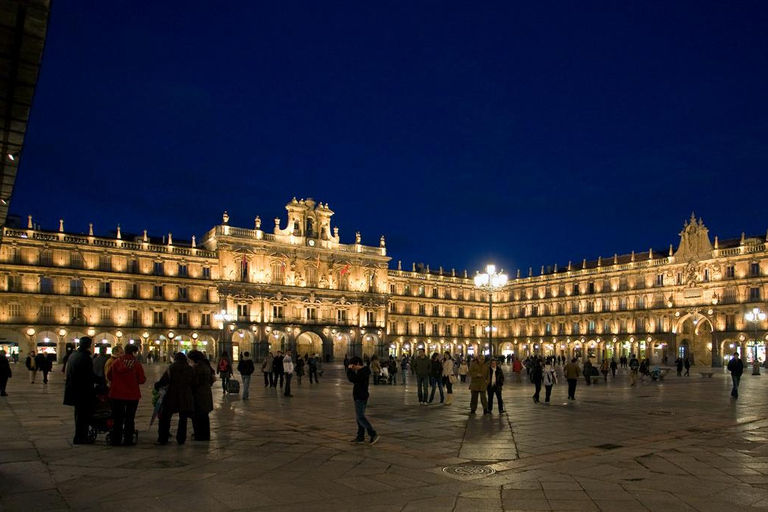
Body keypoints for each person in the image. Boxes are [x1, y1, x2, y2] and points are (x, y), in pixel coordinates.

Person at [106, 344, 146, 446]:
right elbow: (142, 380)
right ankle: (128, 440)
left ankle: (116, 439)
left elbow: (109, 376)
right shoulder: (136, 364)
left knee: (117, 418)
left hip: (117, 394)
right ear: (134, 352)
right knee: (129, 418)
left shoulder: (116, 362)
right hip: (132, 395)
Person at [154, 352, 195, 445]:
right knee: (183, 418)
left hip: (171, 394)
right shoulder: (190, 369)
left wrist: (157, 386)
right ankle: (181, 439)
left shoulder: (171, 368)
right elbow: (193, 381)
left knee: (165, 417)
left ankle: (163, 438)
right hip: (185, 394)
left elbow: (163, 381)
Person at [63, 337, 96, 444]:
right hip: (83, 391)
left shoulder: (73, 355)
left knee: (78, 415)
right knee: (84, 416)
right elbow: (89, 376)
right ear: (88, 345)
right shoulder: (85, 357)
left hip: (74, 389)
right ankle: (81, 438)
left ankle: (79, 436)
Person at [346, 356, 379, 445]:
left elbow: (352, 379)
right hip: (360, 396)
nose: (352, 368)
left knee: (360, 417)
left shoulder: (363, 372)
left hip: (360, 396)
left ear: (357, 364)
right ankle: (360, 436)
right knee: (358, 417)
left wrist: (349, 370)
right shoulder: (363, 371)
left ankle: (373, 433)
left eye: (352, 366)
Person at [188, 350, 215, 441]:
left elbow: (194, 381)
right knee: (204, 416)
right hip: (206, 392)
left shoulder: (197, 367)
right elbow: (211, 380)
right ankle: (205, 435)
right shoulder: (206, 366)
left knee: (197, 416)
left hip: (198, 394)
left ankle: (199, 435)